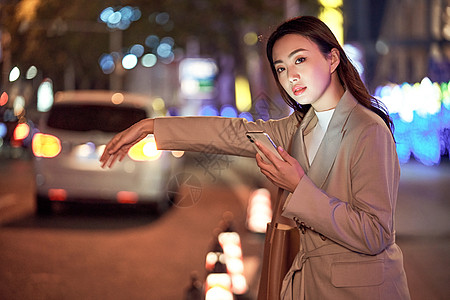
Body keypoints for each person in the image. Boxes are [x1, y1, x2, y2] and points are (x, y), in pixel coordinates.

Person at [100, 16, 410, 299]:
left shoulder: (369, 130)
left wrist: (299, 187)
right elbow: (231, 133)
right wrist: (153, 127)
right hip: (306, 286)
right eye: (281, 68)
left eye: (300, 59)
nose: (291, 76)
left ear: (332, 58)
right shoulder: (299, 127)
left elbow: (375, 234)